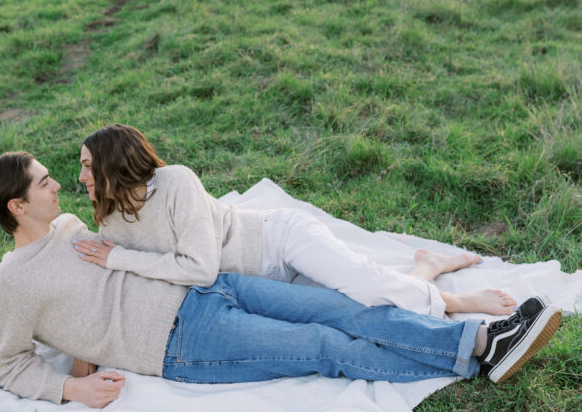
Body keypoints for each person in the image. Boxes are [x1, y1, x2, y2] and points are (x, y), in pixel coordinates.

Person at [0, 150, 562, 408]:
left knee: (343, 308)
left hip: (210, 287)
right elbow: (7, 364)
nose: (57, 185)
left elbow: (90, 296)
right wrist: (71, 388)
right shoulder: (7, 287)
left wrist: (80, 351)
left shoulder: (71, 226)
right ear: (17, 208)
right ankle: (476, 357)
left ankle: (489, 340)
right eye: (44, 182)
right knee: (326, 347)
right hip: (180, 345)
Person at [74, 125, 517, 319]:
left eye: (89, 166)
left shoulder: (175, 182)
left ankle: (460, 303)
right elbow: (121, 274)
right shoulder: (110, 225)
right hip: (257, 285)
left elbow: (199, 269)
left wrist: (121, 261)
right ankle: (428, 267)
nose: (81, 177)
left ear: (116, 164)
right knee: (361, 304)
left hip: (277, 240)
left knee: (365, 283)